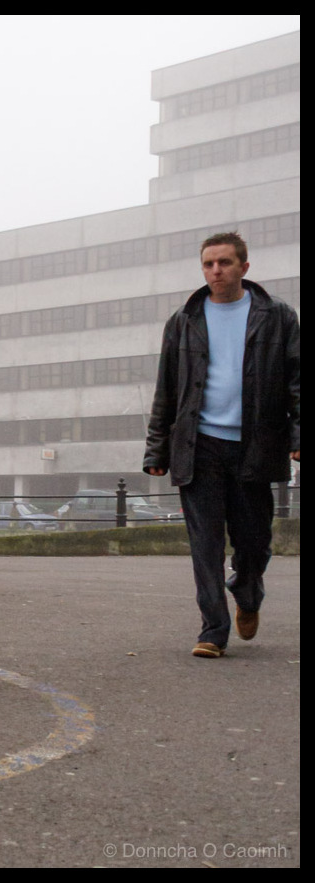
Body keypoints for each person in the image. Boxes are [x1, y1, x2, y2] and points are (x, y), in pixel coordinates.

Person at [143, 231, 300, 659]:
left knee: (254, 542)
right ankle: (213, 630)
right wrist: (157, 448)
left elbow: (297, 381)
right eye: (209, 264)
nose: (216, 270)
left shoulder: (278, 316)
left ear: (244, 267)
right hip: (200, 446)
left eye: (225, 262)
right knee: (206, 545)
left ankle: (247, 591)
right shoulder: (183, 320)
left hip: (256, 444)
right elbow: (166, 389)